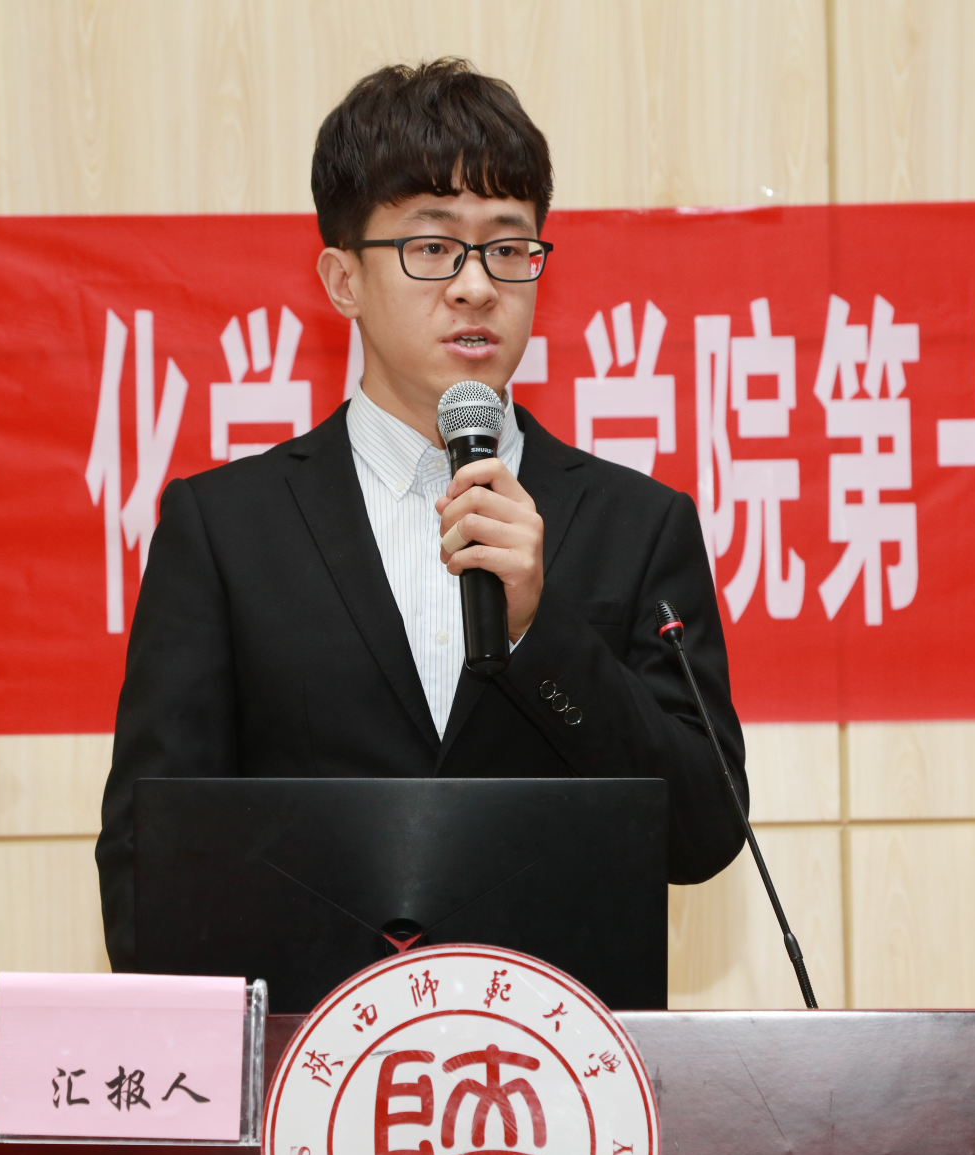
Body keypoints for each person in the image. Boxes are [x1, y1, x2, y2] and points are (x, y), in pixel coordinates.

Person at [95, 59, 746, 971]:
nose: (476, 287)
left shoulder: (640, 525)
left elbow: (704, 831)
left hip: (548, 1052)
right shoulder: (223, 531)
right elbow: (149, 858)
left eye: (507, 247)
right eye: (432, 247)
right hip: (311, 1048)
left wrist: (541, 632)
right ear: (343, 279)